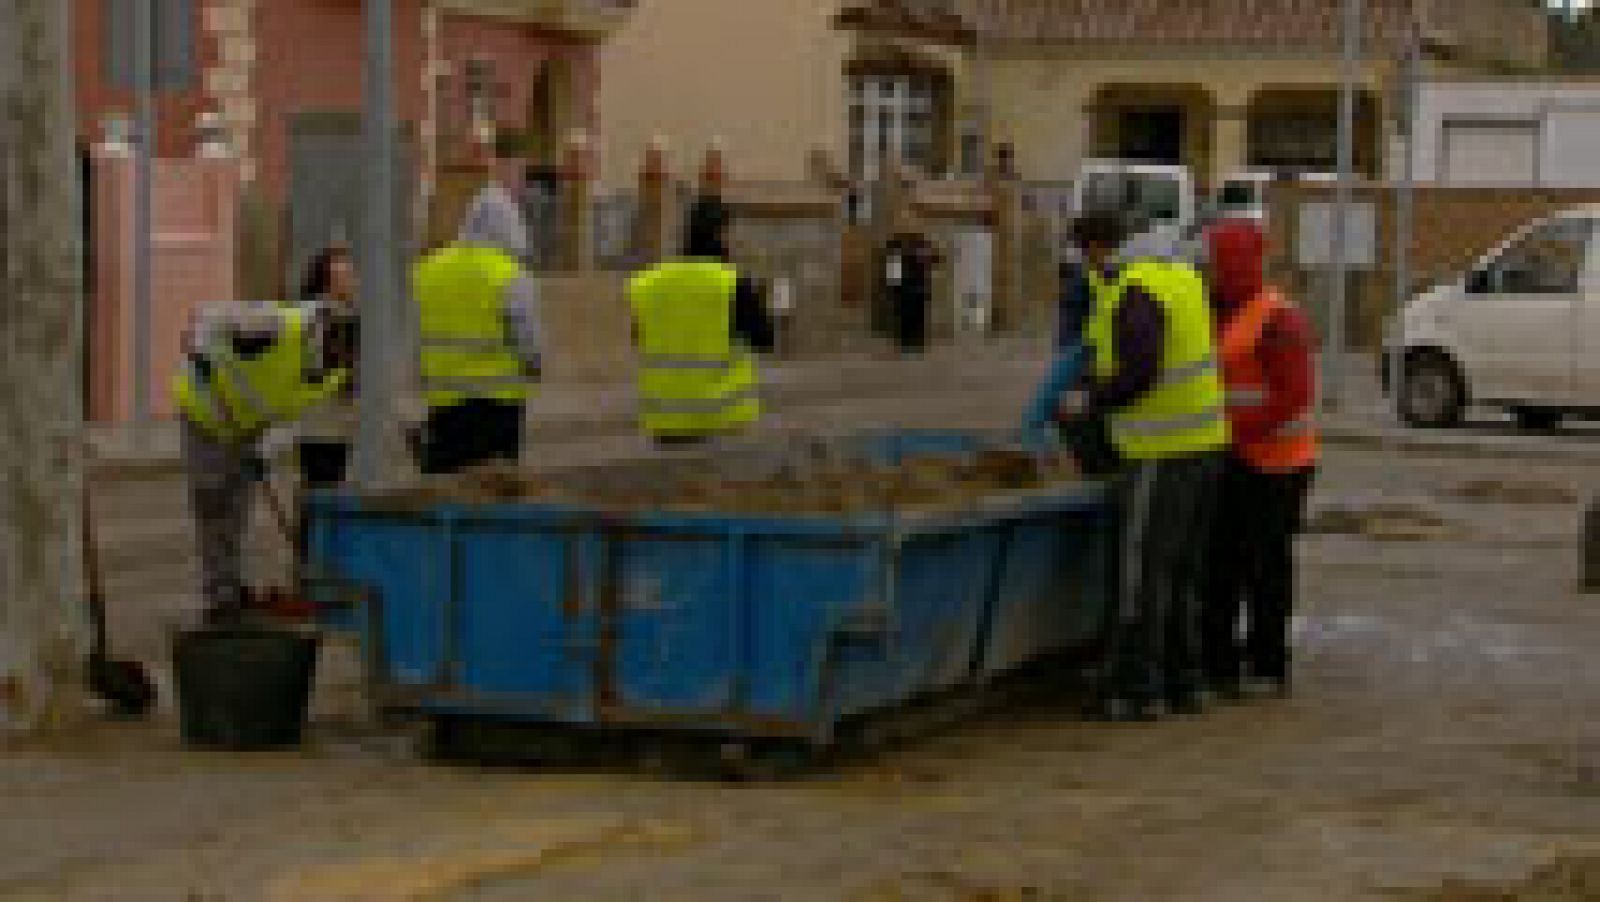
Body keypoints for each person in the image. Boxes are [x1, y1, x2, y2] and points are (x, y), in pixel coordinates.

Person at [1058, 210, 1228, 722]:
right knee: (1180, 571)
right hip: (1203, 446)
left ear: (1098, 248)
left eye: (1085, 254)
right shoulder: (1180, 276)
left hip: (1162, 450)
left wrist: (1088, 402)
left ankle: (1136, 688)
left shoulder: (1136, 289)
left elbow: (1141, 371)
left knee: (1142, 573)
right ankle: (1184, 681)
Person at [1199, 219, 1319, 699]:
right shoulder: (1218, 313)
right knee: (1221, 564)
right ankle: (1221, 661)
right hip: (1235, 458)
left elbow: (1294, 396)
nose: (1216, 271)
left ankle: (1268, 664)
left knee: (1266, 567)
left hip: (1277, 463)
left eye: (1222, 261)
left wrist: (1230, 432)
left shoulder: (1278, 319)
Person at [173, 302, 349, 624]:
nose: (336, 361)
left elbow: (292, 417)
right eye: (336, 351)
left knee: (237, 507)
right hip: (204, 414)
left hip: (248, 428)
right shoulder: (277, 325)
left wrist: (264, 453)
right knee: (212, 502)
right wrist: (198, 348)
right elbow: (209, 317)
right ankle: (219, 594)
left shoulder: (329, 377)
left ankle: (229, 587)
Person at [412, 181, 544, 475]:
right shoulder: (511, 275)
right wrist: (534, 368)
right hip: (496, 409)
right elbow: (529, 344)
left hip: (443, 405)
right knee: (492, 493)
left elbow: (412, 334)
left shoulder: (427, 270)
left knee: (444, 487)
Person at [628, 196, 774, 446]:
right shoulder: (731, 283)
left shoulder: (648, 283)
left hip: (666, 422)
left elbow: (639, 337)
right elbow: (764, 339)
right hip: (720, 419)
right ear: (722, 234)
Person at [291, 241, 359, 488]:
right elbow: (315, 368)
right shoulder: (317, 317)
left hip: (338, 419)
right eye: (347, 276)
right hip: (320, 420)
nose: (353, 282)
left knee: (329, 486)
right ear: (328, 281)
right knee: (321, 487)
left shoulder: (346, 314)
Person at [881, 221, 940, 354]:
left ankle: (912, 341)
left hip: (911, 289)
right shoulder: (901, 256)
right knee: (909, 316)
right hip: (909, 290)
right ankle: (910, 341)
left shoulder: (909, 256)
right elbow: (895, 275)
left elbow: (929, 266)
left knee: (912, 316)